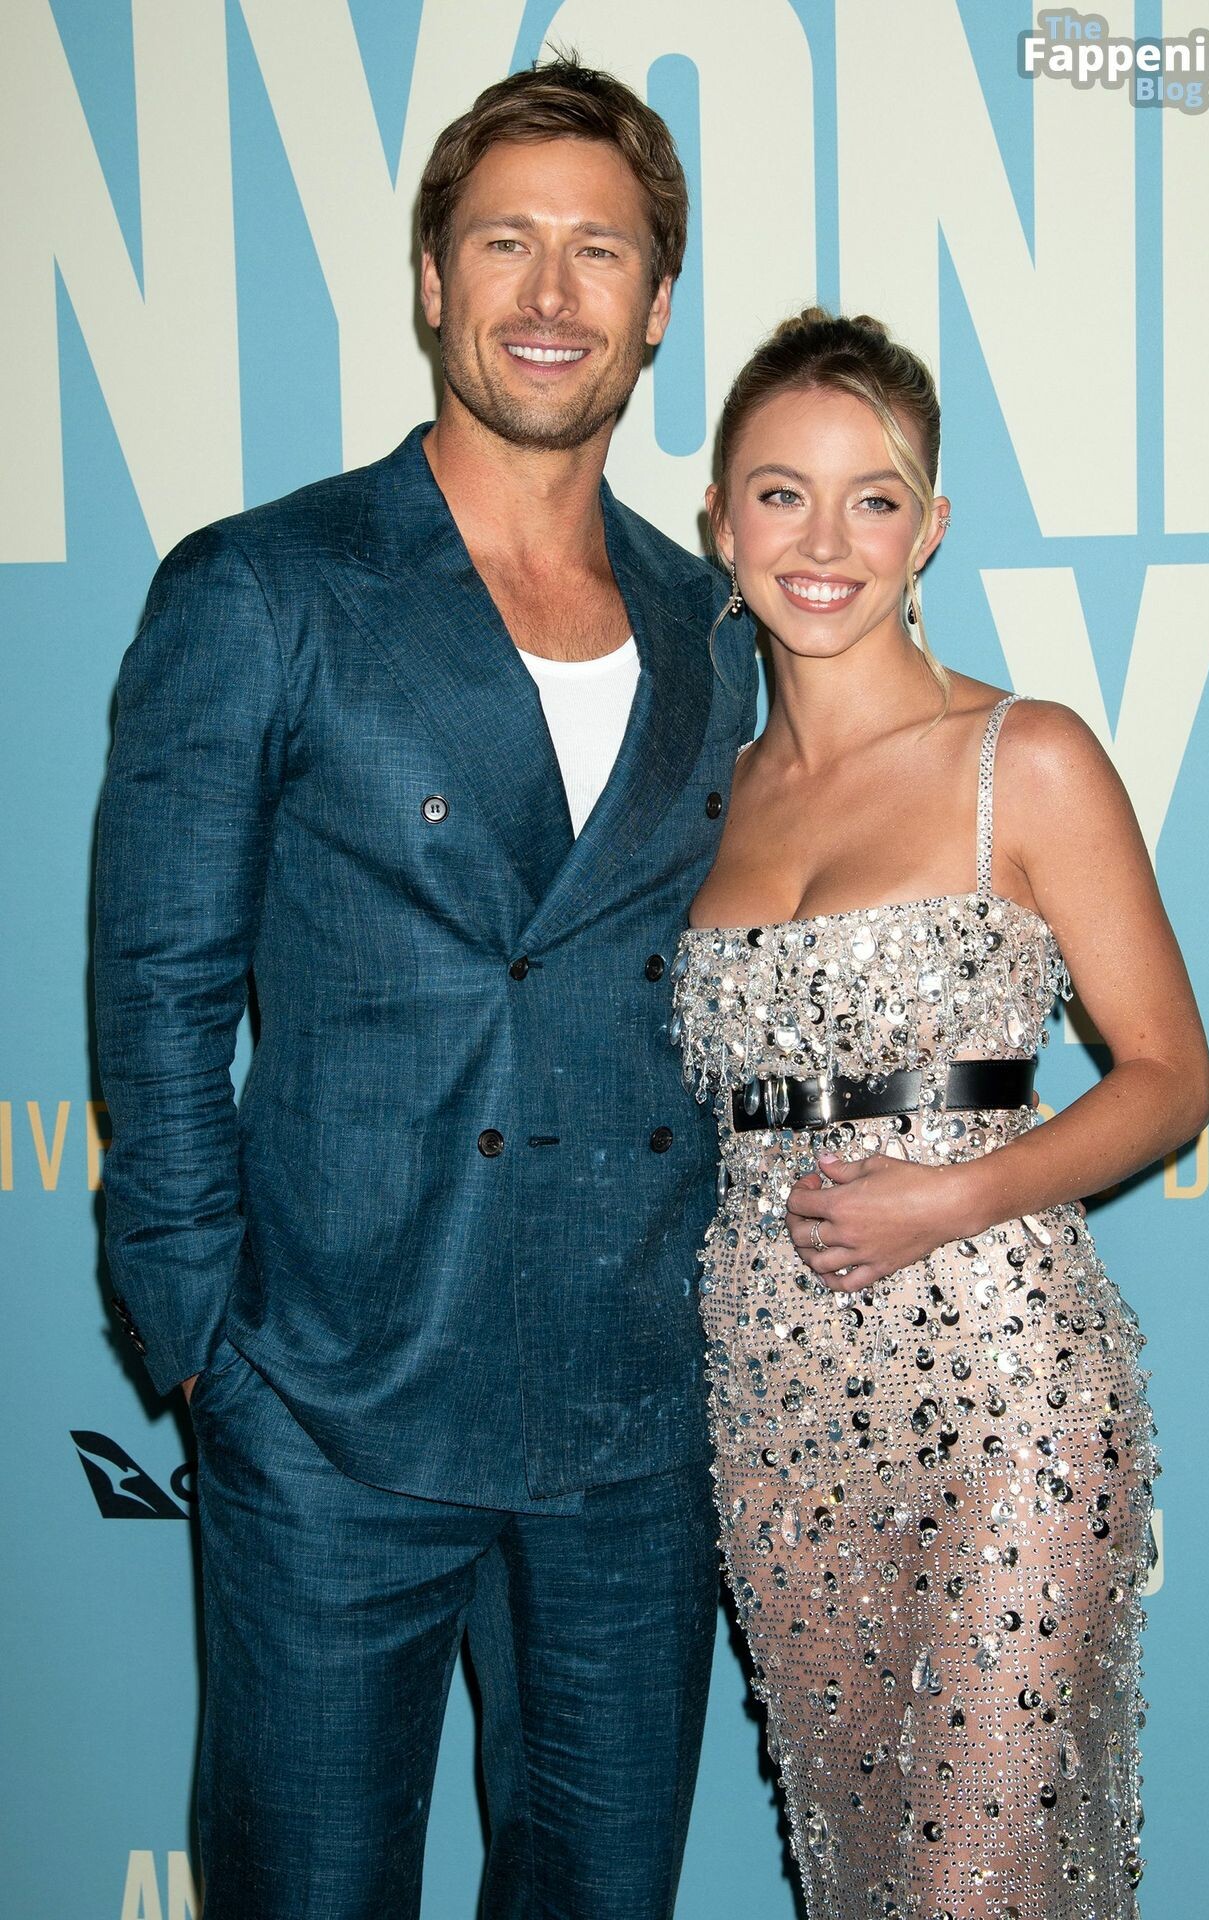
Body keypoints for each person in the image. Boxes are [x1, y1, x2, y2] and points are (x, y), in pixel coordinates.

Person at [93, 56, 757, 1920]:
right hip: (330, 1409)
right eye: (505, 242)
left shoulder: (711, 624)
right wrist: (208, 1346)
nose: (551, 293)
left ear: (655, 306)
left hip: (633, 1421)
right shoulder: (265, 587)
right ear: (429, 279)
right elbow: (157, 986)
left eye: (599, 252)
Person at [672, 309, 1209, 1919]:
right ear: (720, 524)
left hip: (1008, 1388)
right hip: (772, 1405)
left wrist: (954, 1196)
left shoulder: (1020, 758)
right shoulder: (702, 802)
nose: (823, 542)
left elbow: (1170, 1076)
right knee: (855, 1874)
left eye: (874, 498)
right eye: (781, 494)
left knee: (977, 1883)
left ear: (931, 529)